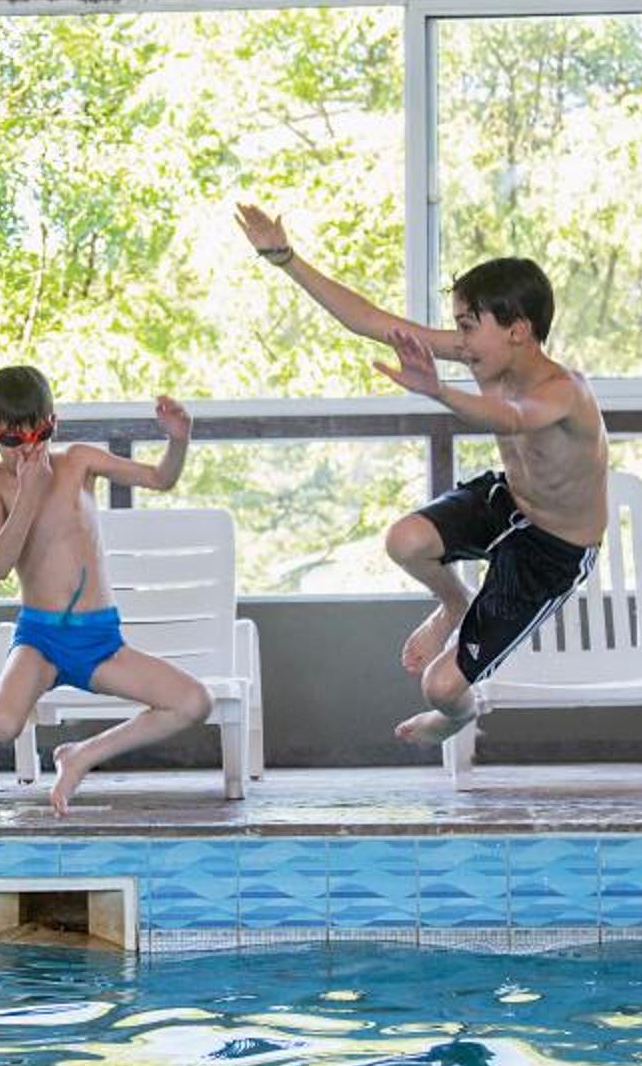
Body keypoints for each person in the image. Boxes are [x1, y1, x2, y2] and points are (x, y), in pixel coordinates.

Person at [234, 201, 607, 751]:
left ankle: (458, 717)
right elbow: (369, 321)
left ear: (518, 331)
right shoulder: (483, 354)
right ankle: (454, 602)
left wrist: (437, 390)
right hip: (509, 502)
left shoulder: (563, 390)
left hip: (554, 549)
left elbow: (511, 417)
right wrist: (285, 259)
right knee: (405, 540)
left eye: (467, 327)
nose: (459, 341)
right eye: (456, 328)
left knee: (441, 688)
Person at [0, 366, 212, 811]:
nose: (27, 451)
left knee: (194, 702)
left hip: (99, 641)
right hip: (39, 641)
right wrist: (28, 494)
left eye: (37, 437)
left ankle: (81, 756)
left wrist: (178, 440)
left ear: (52, 425)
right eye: (12, 440)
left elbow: (161, 478)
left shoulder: (79, 462)